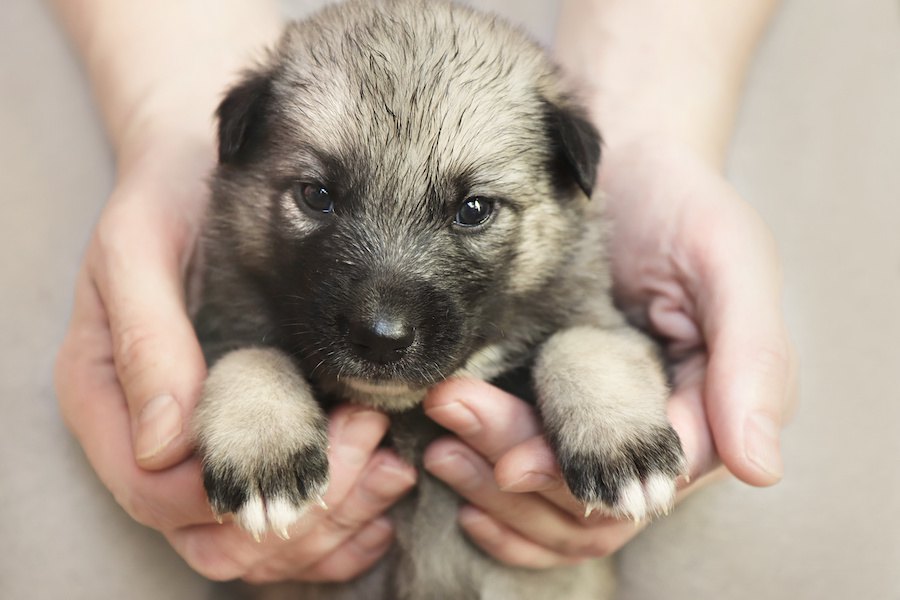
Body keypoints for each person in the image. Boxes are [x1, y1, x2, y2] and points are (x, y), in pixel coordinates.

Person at [53, 0, 797, 584]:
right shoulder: (245, 291)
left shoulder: (560, 305)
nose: (381, 315)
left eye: (474, 212)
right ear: (237, 153)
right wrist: (251, 389)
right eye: (317, 196)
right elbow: (229, 359)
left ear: (570, 185)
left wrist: (603, 390)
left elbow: (604, 341)